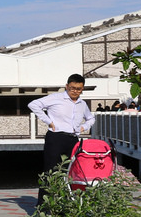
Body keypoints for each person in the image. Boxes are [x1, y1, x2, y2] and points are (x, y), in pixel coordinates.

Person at [28, 74, 95, 208]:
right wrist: (48, 121)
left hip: (73, 139)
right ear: (67, 86)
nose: (75, 91)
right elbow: (33, 104)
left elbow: (91, 118)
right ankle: (43, 206)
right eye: (72, 88)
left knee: (69, 172)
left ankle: (64, 204)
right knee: (51, 171)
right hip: (56, 138)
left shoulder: (82, 104)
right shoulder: (56, 98)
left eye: (79, 89)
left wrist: (83, 127)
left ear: (82, 89)